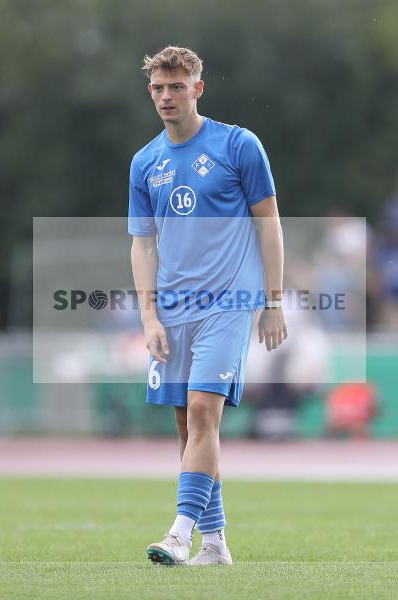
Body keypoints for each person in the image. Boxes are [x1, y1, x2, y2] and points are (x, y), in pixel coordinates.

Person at [128, 46, 287, 566]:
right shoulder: (145, 162)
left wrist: (273, 301)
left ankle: (178, 534)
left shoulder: (239, 145)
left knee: (202, 411)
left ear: (199, 88)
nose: (167, 96)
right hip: (172, 309)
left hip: (229, 302)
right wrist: (149, 316)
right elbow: (143, 244)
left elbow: (270, 224)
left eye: (177, 86)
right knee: (187, 427)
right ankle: (215, 543)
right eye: (158, 88)